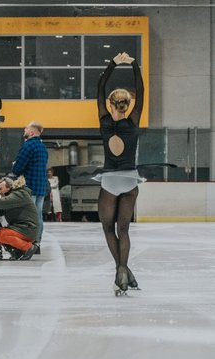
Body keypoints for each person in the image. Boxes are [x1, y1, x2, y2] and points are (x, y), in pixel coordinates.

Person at [95, 52, 145, 296]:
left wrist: (113, 63)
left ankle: (120, 270)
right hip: (130, 179)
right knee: (123, 230)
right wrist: (134, 63)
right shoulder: (133, 121)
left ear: (110, 104)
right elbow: (141, 90)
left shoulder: (104, 119)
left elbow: (100, 86)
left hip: (110, 180)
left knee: (108, 229)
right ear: (127, 104)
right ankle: (124, 269)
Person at [0, 176, 39, 260]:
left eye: (1, 189)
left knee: (1, 235)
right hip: (19, 228)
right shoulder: (11, 196)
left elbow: (3, 203)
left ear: (8, 188)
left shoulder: (20, 194)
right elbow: (0, 212)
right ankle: (18, 250)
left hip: (27, 229)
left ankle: (29, 247)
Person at [11, 121, 48, 251]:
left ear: (32, 132)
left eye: (26, 128)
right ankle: (36, 244)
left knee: (27, 218)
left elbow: (18, 167)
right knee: (38, 216)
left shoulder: (28, 146)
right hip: (41, 187)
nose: (24, 130)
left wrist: (14, 165)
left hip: (29, 187)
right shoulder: (43, 147)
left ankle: (27, 245)